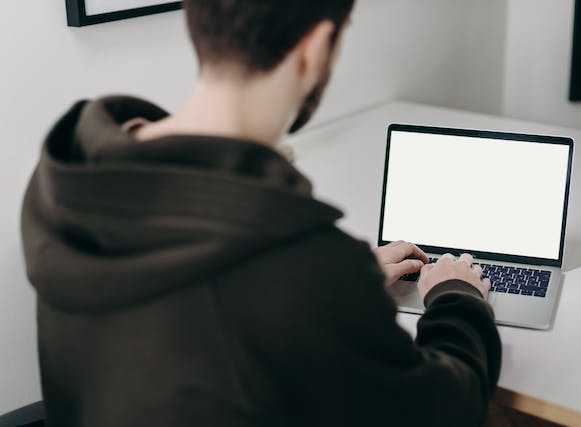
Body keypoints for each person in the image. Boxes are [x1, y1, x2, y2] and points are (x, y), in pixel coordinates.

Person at [21, 1, 501, 426]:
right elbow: (443, 409)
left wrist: (337, 291)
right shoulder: (296, 266)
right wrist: (457, 297)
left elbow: (192, 330)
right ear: (315, 48)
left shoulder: (69, 179)